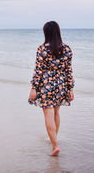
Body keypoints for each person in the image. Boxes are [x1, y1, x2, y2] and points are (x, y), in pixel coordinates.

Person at [28, 21, 75, 156]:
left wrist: (33, 88)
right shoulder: (67, 49)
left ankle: (55, 145)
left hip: (46, 84)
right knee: (55, 113)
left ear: (46, 33)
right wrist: (70, 88)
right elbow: (68, 71)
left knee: (48, 114)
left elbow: (38, 71)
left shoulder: (42, 49)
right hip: (61, 84)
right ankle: (54, 139)